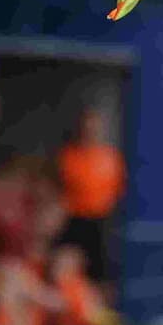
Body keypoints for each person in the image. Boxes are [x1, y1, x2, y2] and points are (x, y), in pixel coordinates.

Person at [58, 107, 126, 281]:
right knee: (72, 268)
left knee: (102, 271)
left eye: (94, 128)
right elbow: (60, 189)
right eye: (87, 127)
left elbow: (119, 190)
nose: (90, 131)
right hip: (75, 220)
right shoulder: (68, 157)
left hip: (102, 223)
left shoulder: (111, 158)